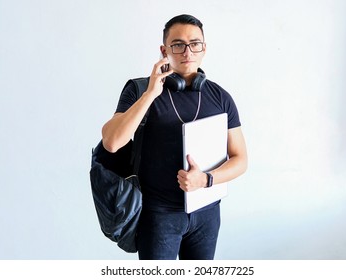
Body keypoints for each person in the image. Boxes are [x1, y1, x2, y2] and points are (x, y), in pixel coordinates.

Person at [101, 14, 248, 260]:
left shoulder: (221, 98)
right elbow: (112, 142)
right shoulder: (140, 90)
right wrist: (150, 94)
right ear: (164, 50)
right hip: (159, 215)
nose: (187, 51)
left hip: (207, 213)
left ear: (204, 48)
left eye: (195, 43)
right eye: (178, 44)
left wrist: (206, 180)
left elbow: (240, 159)